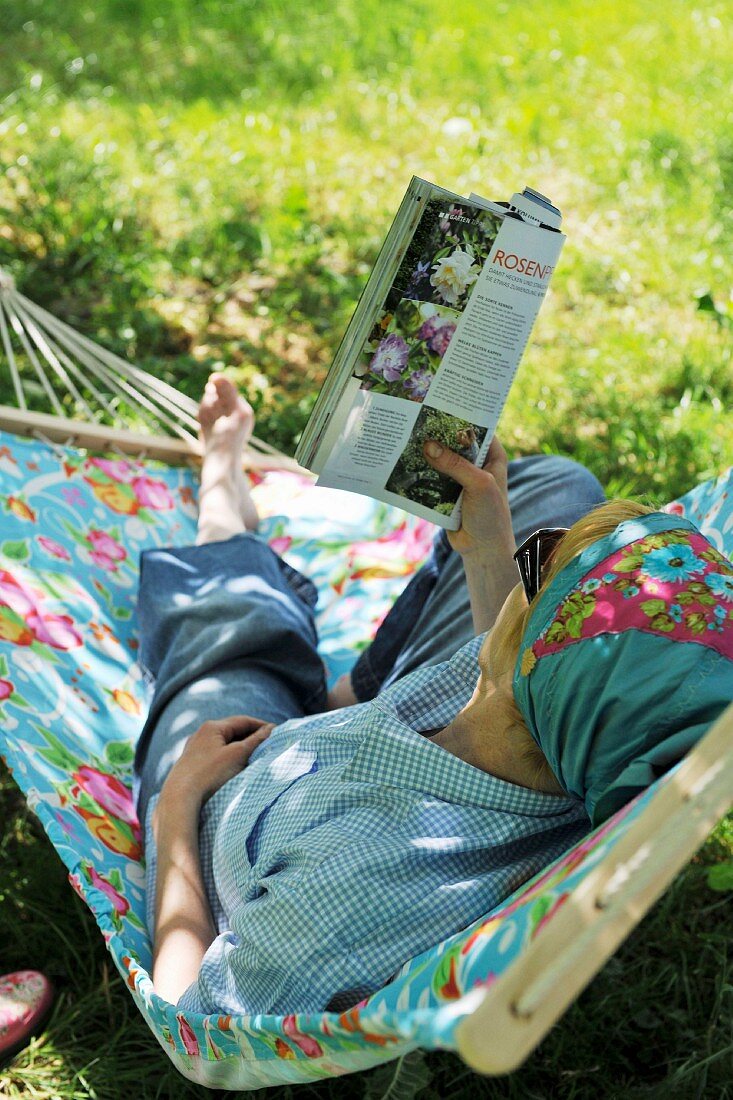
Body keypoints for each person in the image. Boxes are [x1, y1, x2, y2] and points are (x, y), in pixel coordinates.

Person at [134, 374, 733, 1017]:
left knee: (231, 625)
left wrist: (178, 805)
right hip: (336, 751)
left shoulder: (344, 892)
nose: (538, 551)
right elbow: (528, 668)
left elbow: (193, 1017)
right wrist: (489, 545)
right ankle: (335, 690)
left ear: (517, 653)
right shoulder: (551, 738)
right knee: (559, 484)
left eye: (541, 568)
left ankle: (222, 505)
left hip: (220, 792)